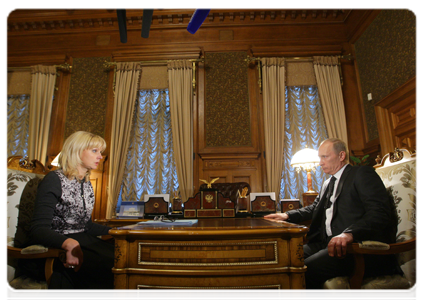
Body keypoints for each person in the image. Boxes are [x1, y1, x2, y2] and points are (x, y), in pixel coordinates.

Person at [264, 138, 399, 300]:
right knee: (286, 258)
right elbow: (314, 209)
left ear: (341, 155)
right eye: (319, 157)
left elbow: (379, 213)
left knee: (307, 269)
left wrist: (349, 234)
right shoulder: (327, 183)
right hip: (325, 242)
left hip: (355, 247)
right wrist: (286, 215)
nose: (320, 163)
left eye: (324, 157)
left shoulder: (362, 174)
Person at [25, 131, 114, 300]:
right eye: (95, 151)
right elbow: (38, 229)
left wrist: (117, 232)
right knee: (108, 263)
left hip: (81, 238)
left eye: (100, 152)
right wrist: (68, 243)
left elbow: (85, 225)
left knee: (118, 255)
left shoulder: (86, 183)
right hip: (53, 245)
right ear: (77, 151)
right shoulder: (54, 179)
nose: (100, 156)